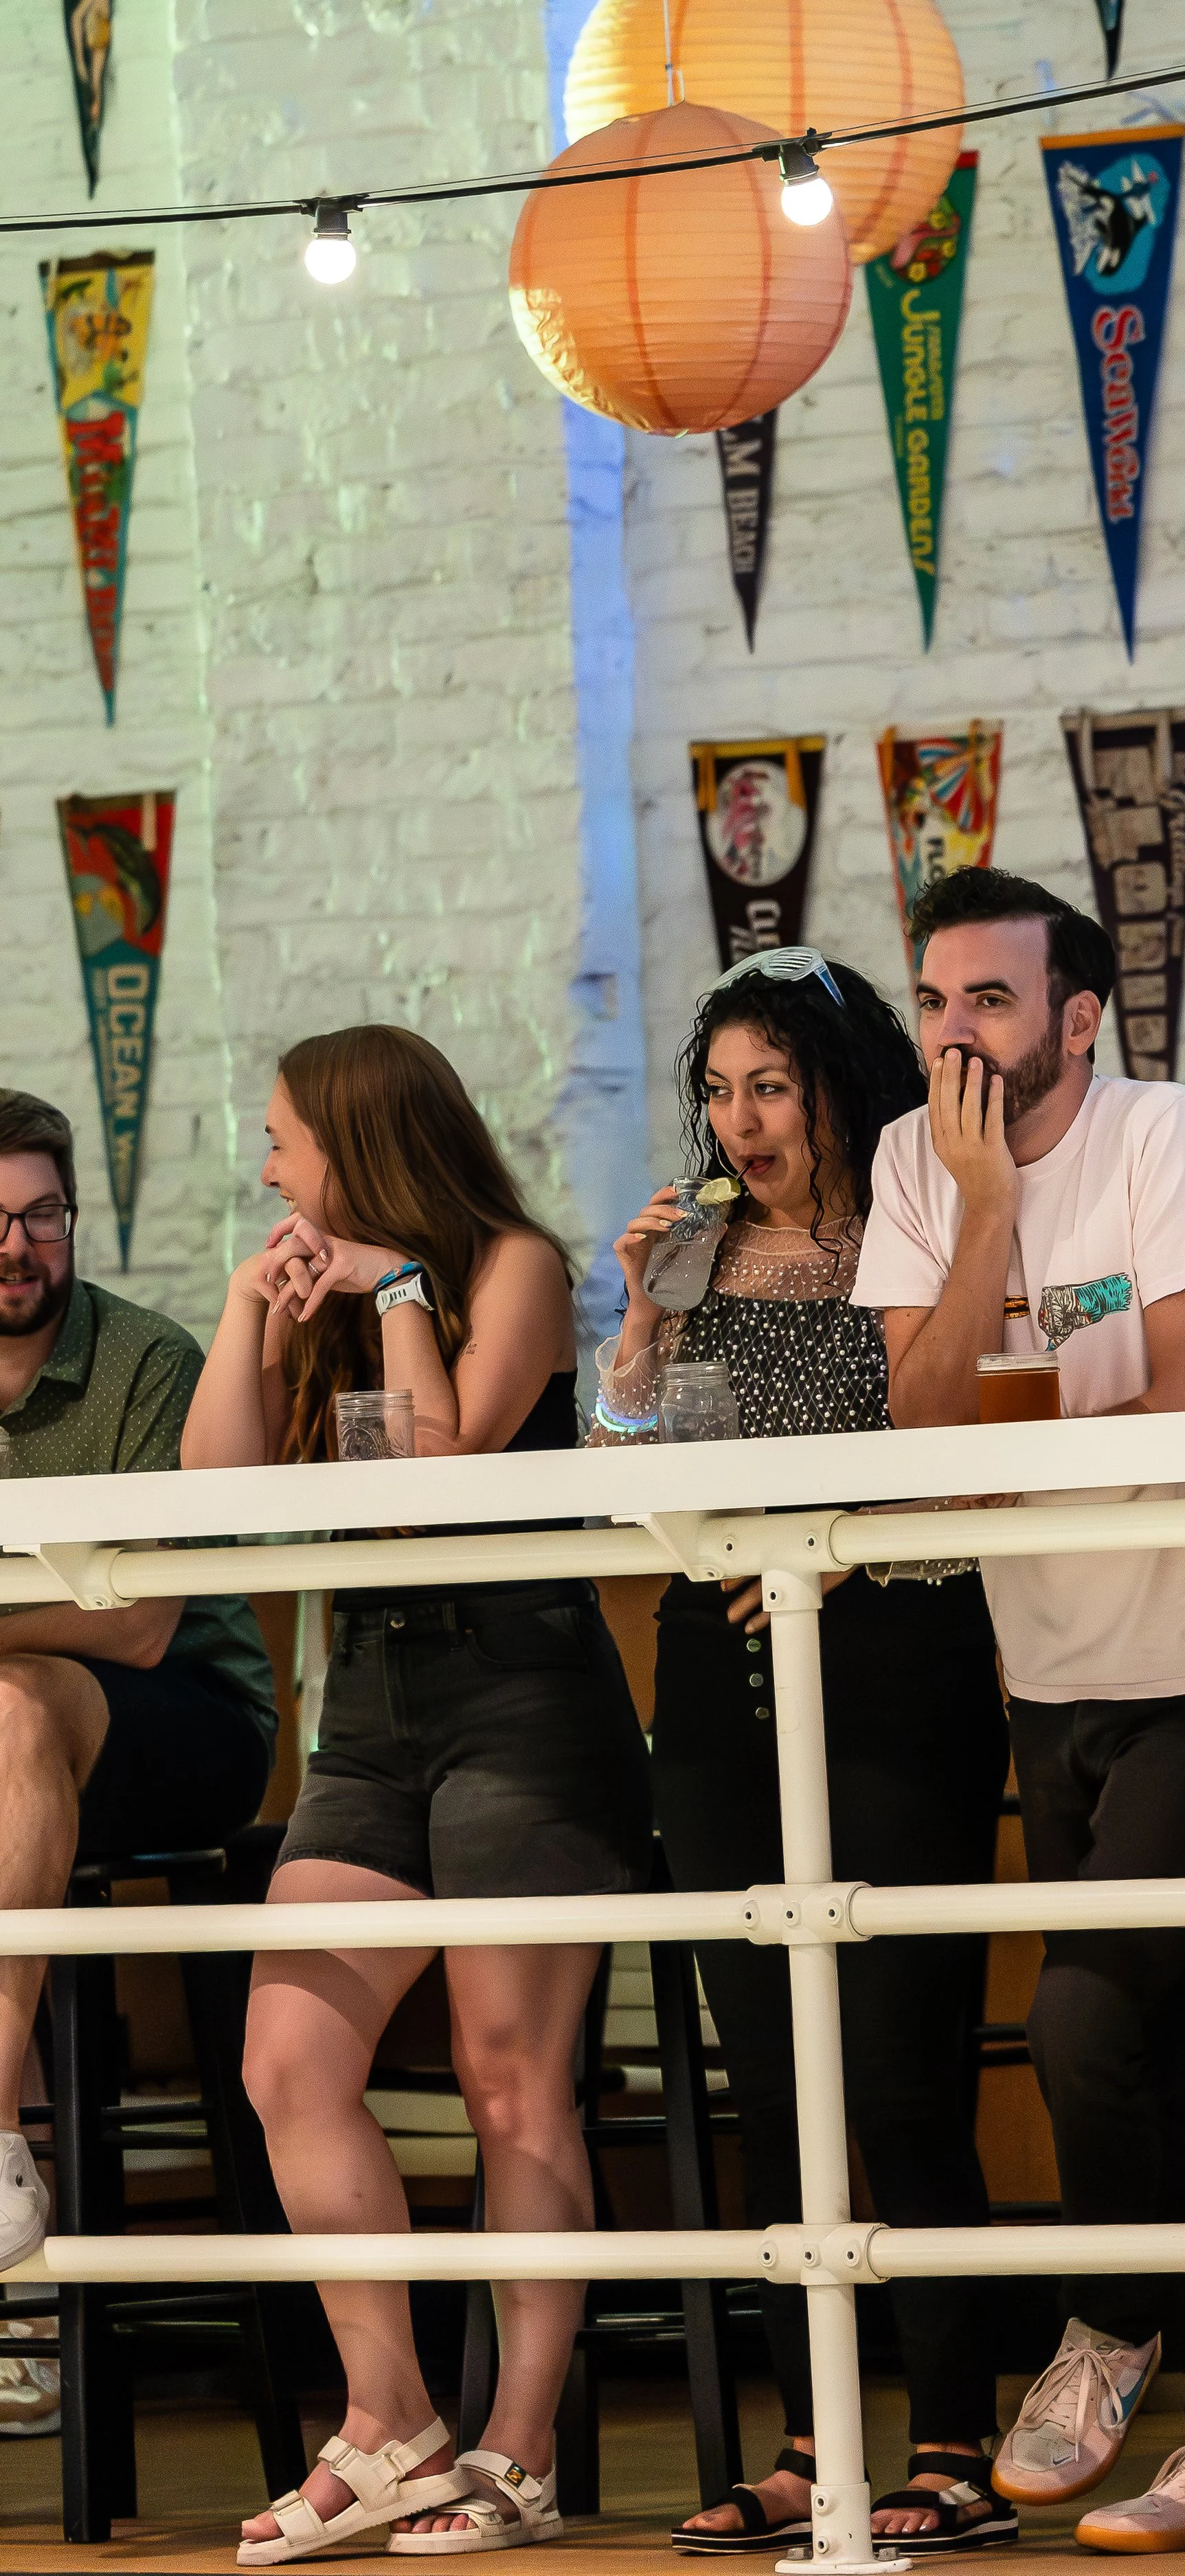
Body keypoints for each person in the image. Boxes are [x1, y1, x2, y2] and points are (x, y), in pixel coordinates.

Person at [853, 869, 1185, 2555]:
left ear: (1076, 1016)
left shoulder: (1161, 1132)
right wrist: (985, 1212)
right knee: (1161, 2037)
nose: (952, 1034)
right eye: (932, 1000)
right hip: (1051, 1672)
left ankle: (1112, 2314)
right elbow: (916, 1428)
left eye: (988, 1000)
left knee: (1080, 2013)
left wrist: (1005, 1417)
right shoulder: (914, 1164)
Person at [183, 1027, 653, 2566]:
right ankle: (392, 2421)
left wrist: (394, 1290)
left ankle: (519, 2446)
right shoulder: (311, 1288)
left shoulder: (510, 1264)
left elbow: (438, 1470)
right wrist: (248, 1311)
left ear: (358, 1141)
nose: (268, 1168)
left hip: (524, 1693)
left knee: (510, 2076)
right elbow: (212, 1498)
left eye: (282, 1139)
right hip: (373, 1709)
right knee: (287, 2056)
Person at [594, 947, 1015, 2557]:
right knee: (765, 2069)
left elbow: (956, 1443)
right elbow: (621, 1467)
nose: (740, 1121)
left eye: (769, 1085)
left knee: (902, 2060)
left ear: (838, 1086)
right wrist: (638, 1316)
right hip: (717, 1665)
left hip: (898, 1650)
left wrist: (841, 1536)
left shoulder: (916, 1220)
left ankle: (953, 2431)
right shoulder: (698, 1246)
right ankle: (804, 2438)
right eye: (718, 1091)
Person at [0, 1087, 280, 2432]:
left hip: (185, 1725)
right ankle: (19, 2293)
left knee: (15, 1707)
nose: (17, 1247)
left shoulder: (145, 1359)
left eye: (42, 1215)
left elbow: (140, 1621)